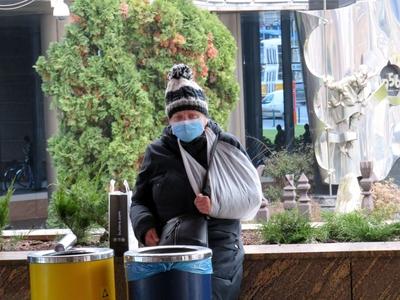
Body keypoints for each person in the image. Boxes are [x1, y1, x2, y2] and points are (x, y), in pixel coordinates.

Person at [130, 64, 262, 300]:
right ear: (170, 120)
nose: (186, 121)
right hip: (171, 246)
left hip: (220, 246)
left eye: (193, 116)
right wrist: (145, 226)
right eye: (179, 117)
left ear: (205, 117)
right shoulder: (157, 152)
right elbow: (139, 200)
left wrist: (215, 205)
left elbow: (251, 196)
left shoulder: (226, 147)